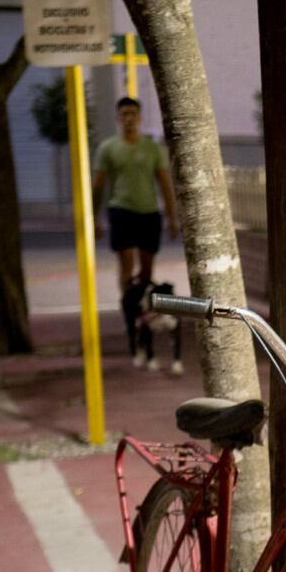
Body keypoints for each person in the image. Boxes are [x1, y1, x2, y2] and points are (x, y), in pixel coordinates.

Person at [93, 96, 179, 368]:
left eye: (133, 113)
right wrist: (94, 216)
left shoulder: (153, 149)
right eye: (124, 114)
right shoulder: (108, 148)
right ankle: (129, 311)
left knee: (146, 270)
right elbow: (99, 185)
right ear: (118, 118)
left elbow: (165, 183)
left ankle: (144, 310)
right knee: (126, 266)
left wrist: (172, 216)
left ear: (140, 117)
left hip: (148, 213)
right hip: (121, 212)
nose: (128, 118)